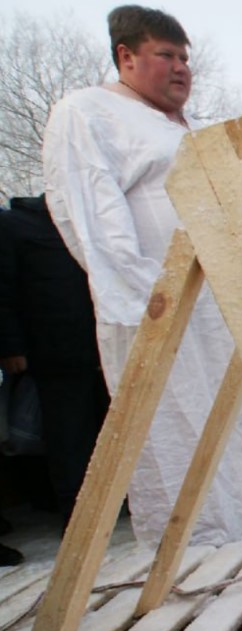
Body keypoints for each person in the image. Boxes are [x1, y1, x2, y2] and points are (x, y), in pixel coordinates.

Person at [43, 5, 242, 546]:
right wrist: (149, 303)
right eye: (166, 55)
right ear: (126, 56)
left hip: (228, 312)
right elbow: (91, 216)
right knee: (179, 438)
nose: (181, 67)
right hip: (159, 312)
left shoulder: (201, 130)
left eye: (186, 57)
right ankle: (196, 572)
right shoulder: (88, 113)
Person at [0, 195, 111, 526]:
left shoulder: (85, 218)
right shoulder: (14, 226)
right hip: (53, 350)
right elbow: (3, 291)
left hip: (101, 345)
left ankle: (120, 504)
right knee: (69, 437)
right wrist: (11, 348)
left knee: (107, 429)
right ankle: (78, 519)